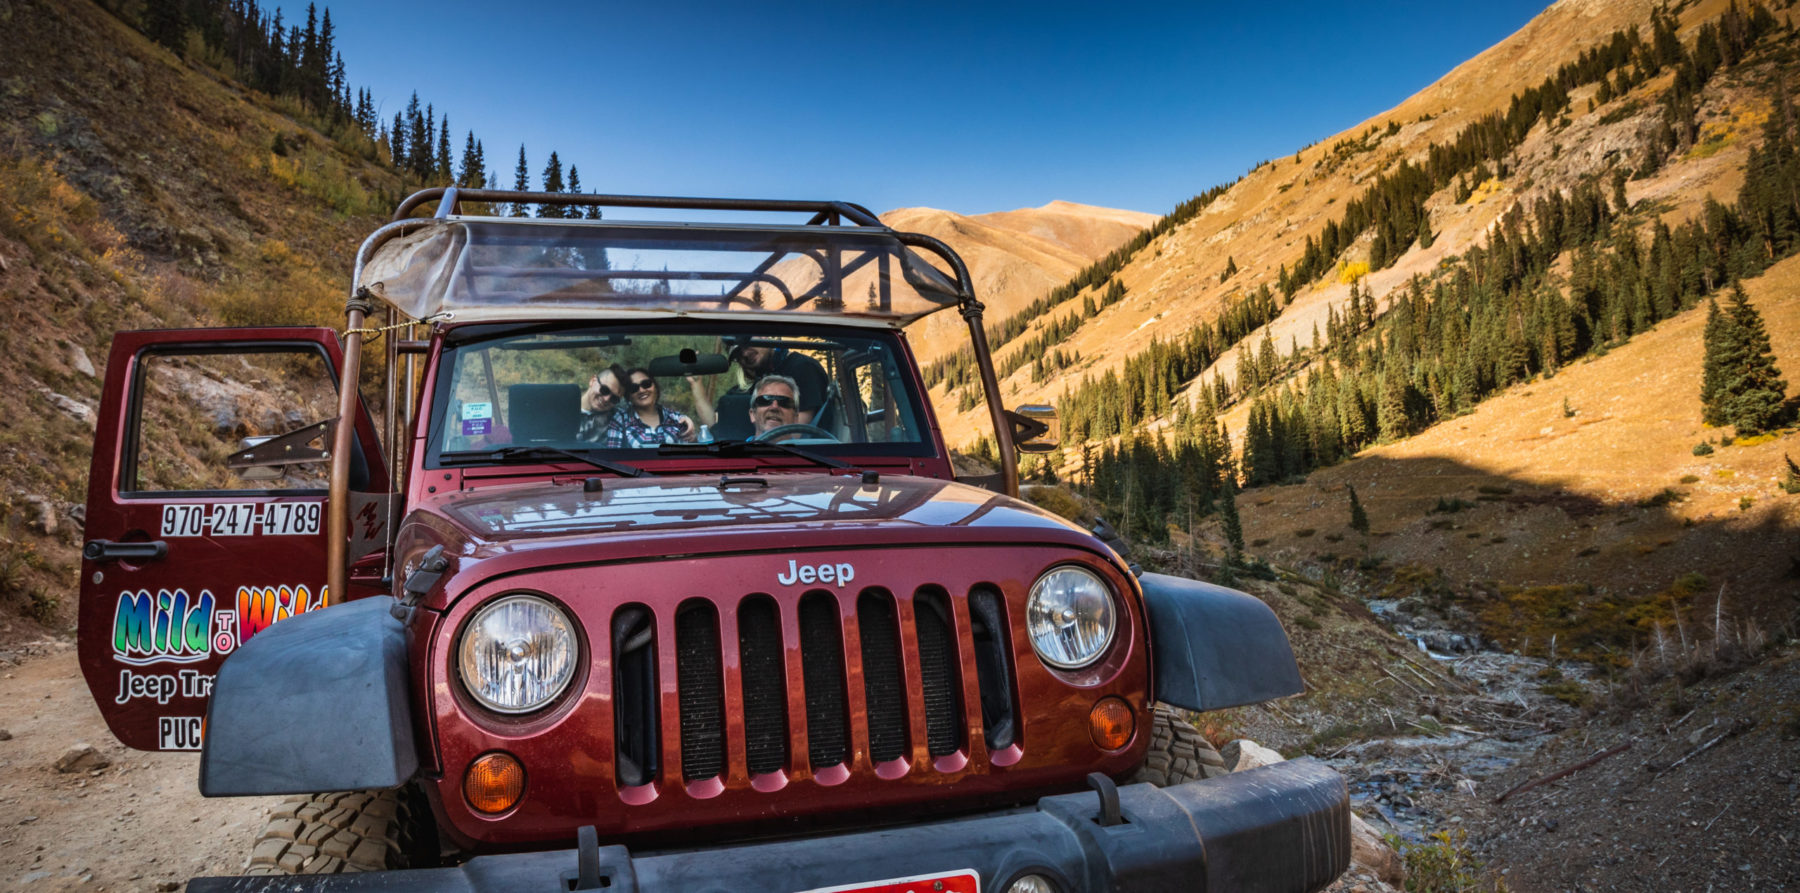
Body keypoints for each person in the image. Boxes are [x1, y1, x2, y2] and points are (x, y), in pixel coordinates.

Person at [730, 340, 828, 424]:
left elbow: (798, 431)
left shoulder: (804, 368)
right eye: (738, 354)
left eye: (746, 345)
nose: (745, 354)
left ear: (763, 336)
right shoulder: (760, 381)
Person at [605, 368, 697, 448]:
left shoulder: (677, 419)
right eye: (634, 388)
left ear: (655, 387)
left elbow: (689, 455)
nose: (641, 390)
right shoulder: (620, 421)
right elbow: (613, 457)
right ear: (628, 396)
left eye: (646, 384)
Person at [577, 363, 629, 442]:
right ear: (592, 381)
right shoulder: (561, 408)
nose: (606, 399)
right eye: (605, 390)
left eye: (614, 399)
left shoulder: (616, 419)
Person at [747, 375, 802, 440]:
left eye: (784, 402)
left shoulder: (805, 450)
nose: (774, 407)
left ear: (795, 418)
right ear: (752, 414)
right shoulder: (735, 450)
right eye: (765, 400)